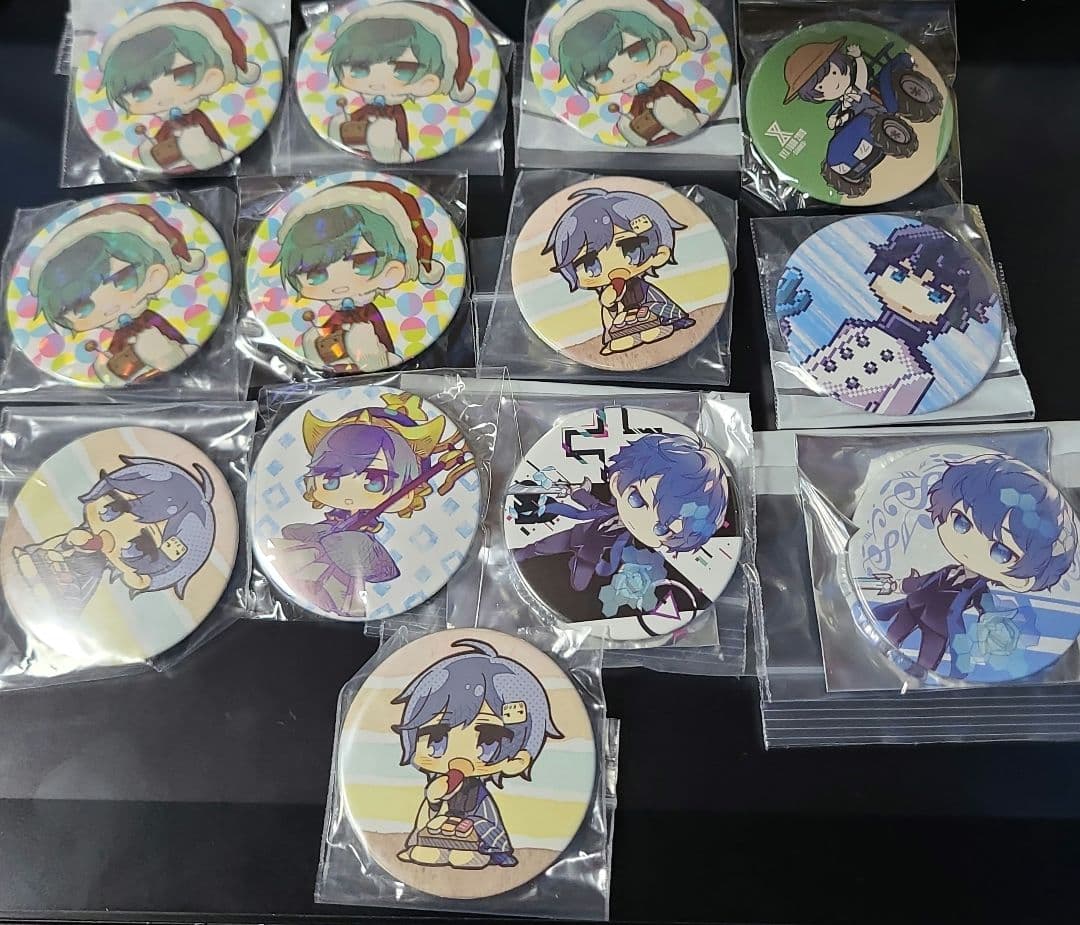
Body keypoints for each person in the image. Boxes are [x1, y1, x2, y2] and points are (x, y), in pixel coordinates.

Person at [870, 455, 1078, 672]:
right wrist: (896, 585)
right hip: (912, 607)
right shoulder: (948, 570)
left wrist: (997, 633)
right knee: (887, 642)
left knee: (924, 665)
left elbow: (988, 610)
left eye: (1001, 552)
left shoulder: (978, 590)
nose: (971, 547)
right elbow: (922, 581)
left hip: (938, 629)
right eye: (961, 522)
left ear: (1022, 580)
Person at [276, 393, 474, 617]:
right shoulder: (333, 525)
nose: (349, 495)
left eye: (374, 481)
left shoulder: (357, 540)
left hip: (351, 566)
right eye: (331, 479)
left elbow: (378, 569)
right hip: (309, 576)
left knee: (345, 553)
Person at [392, 638, 563, 870]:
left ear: (517, 759)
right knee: (427, 853)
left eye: (488, 741)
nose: (458, 757)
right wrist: (432, 801)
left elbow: (488, 823)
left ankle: (480, 854)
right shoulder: (439, 782)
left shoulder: (479, 795)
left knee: (462, 857)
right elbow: (427, 818)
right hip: (442, 833)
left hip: (478, 839)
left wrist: (469, 827)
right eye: (437, 739)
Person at [511, 433, 728, 608]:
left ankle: (573, 565)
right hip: (575, 534)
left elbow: (614, 557)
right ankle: (518, 555)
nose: (641, 522)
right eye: (637, 499)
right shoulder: (607, 508)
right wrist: (576, 493)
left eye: (661, 529)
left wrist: (605, 567)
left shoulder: (628, 543)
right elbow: (589, 507)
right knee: (539, 547)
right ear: (616, 482)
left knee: (578, 585)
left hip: (590, 554)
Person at [274, 180, 445, 373]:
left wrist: (376, 358)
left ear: (394, 269)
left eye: (363, 262)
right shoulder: (333, 318)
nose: (340, 286)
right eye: (315, 273)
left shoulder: (376, 316)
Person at [29, 202, 205, 384]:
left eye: (122, 279)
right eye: (81, 306)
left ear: (155, 275)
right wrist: (110, 370)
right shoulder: (120, 334)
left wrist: (170, 355)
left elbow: (185, 347)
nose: (108, 306)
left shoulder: (150, 321)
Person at [12, 455, 217, 611]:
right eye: (115, 508)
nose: (111, 536)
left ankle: (55, 593)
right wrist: (68, 542)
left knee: (71, 586)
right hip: (32, 573)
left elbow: (139, 581)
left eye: (140, 546)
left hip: (66, 596)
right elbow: (63, 541)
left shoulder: (97, 574)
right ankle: (32, 561)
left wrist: (135, 575)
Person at [100, 2, 262, 171]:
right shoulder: (168, 124)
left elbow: (221, 150)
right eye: (140, 91)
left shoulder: (196, 119)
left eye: (184, 75)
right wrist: (150, 156)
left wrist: (206, 155)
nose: (164, 97)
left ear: (212, 77)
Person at [544, 187, 692, 356]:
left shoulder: (644, 288)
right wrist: (610, 303)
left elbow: (655, 302)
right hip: (623, 319)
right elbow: (610, 313)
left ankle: (664, 325)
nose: (614, 267)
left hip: (647, 308)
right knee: (618, 325)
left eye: (632, 249)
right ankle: (619, 338)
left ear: (660, 254)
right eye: (591, 264)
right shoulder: (606, 291)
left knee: (653, 315)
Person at [326, 1, 478, 163]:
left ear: (428, 82)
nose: (377, 84)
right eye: (359, 67)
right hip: (352, 158)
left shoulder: (400, 114)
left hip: (407, 157)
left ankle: (389, 149)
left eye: (402, 70)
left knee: (384, 135)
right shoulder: (367, 108)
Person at [548, 0, 710, 146]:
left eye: (637, 52)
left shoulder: (664, 90)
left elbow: (699, 116)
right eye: (602, 74)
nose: (627, 76)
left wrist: (682, 122)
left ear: (664, 50)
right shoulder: (638, 100)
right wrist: (631, 133)